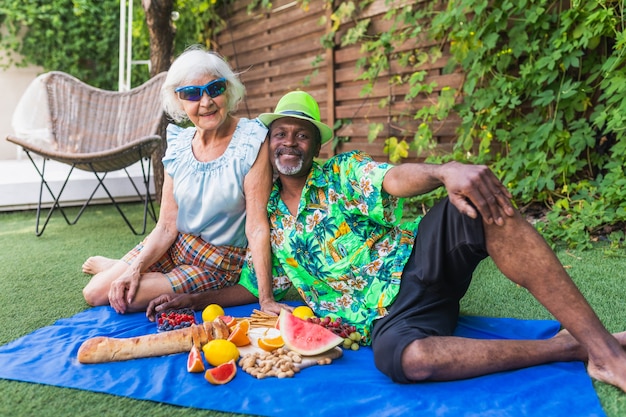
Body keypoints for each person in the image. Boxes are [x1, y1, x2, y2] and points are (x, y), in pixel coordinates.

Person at [146, 91, 626, 392]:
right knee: (406, 362)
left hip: (418, 265)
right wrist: (191, 297)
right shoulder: (263, 215)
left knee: (479, 206)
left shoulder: (342, 172)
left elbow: (393, 178)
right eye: (281, 134)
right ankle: (566, 347)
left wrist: (442, 171)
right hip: (388, 320)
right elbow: (253, 287)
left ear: (317, 146)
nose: (290, 142)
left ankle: (606, 352)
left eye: (302, 135)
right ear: (268, 144)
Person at [82, 46, 286, 315]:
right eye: (191, 94)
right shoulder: (178, 144)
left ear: (229, 89)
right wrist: (135, 269)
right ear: (178, 101)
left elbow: (257, 227)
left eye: (215, 89)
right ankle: (118, 267)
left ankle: (118, 267)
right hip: (176, 243)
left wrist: (265, 298)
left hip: (216, 260)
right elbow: (166, 226)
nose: (206, 102)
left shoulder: (252, 140)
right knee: (94, 293)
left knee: (123, 298)